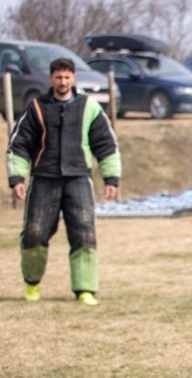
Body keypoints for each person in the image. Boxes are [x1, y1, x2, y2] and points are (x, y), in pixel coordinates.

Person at [6, 57, 121, 305]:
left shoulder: (89, 107)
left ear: (73, 78)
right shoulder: (36, 107)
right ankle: (32, 284)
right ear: (51, 79)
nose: (63, 81)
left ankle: (85, 289)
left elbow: (106, 144)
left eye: (67, 77)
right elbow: (19, 145)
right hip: (44, 178)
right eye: (58, 77)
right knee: (34, 233)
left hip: (78, 177)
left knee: (84, 233)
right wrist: (17, 178)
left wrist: (111, 178)